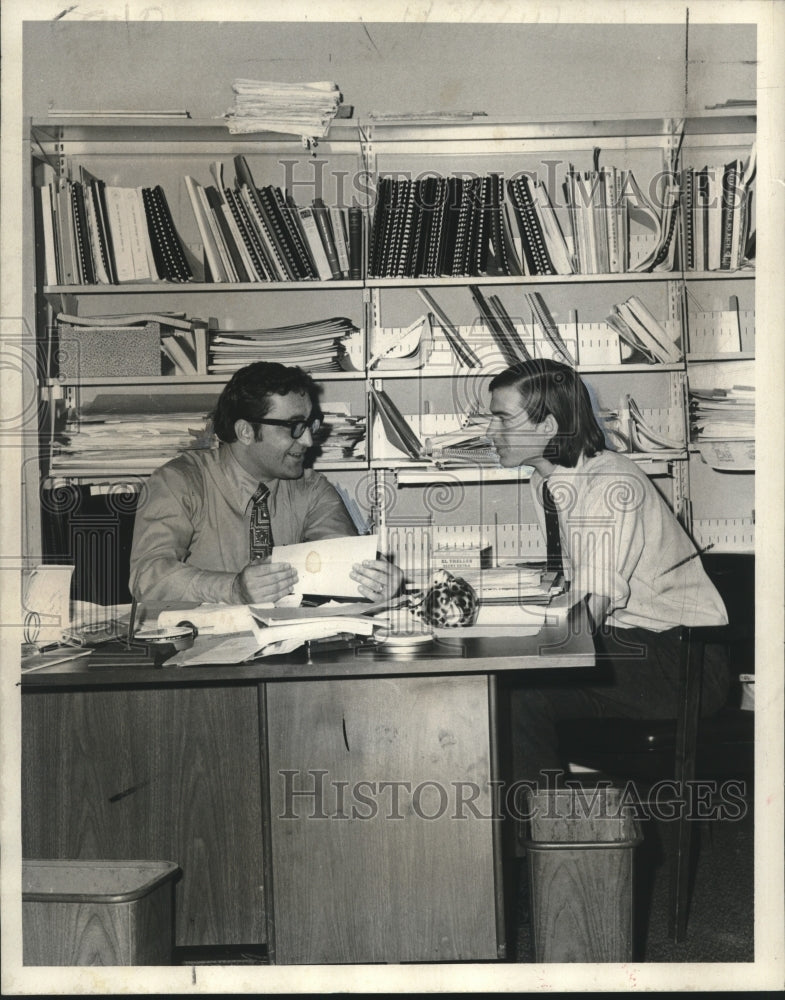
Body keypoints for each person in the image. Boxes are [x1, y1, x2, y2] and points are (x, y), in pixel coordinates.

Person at [486, 358, 730, 788]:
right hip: (636, 642)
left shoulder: (610, 485)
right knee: (503, 687)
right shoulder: (548, 480)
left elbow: (589, 614)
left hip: (683, 659)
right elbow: (577, 588)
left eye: (503, 420)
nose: (491, 433)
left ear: (547, 428)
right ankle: (537, 836)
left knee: (515, 695)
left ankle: (546, 842)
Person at [129, 361, 402, 606]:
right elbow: (147, 577)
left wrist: (374, 583)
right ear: (246, 431)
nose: (307, 440)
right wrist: (233, 589)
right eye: (294, 427)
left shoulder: (313, 489)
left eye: (310, 425)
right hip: (201, 653)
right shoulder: (180, 482)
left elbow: (343, 566)